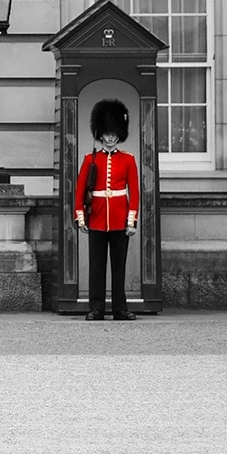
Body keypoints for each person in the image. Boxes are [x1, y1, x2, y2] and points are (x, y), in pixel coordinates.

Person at [74, 98, 140, 321]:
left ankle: (120, 308)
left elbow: (135, 192)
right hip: (97, 218)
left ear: (118, 134)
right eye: (107, 133)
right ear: (100, 134)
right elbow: (80, 190)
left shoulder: (128, 160)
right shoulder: (89, 159)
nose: (110, 137)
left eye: (114, 133)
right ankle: (97, 308)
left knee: (118, 267)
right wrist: (81, 218)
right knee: (97, 266)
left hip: (120, 218)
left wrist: (132, 221)